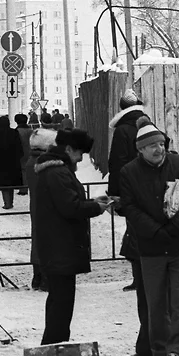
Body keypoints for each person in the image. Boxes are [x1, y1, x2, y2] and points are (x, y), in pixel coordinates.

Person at [119, 116, 179, 356]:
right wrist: (155, 231)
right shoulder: (129, 172)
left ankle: (176, 351)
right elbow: (130, 207)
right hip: (152, 247)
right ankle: (159, 352)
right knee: (155, 303)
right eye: (152, 145)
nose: (159, 148)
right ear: (141, 150)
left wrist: (176, 227)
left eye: (161, 143)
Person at [34, 129, 109, 344]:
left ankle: (55, 346)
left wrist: (95, 202)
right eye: (80, 153)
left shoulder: (57, 170)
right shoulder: (58, 172)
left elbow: (68, 203)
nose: (81, 158)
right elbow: (70, 207)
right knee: (61, 303)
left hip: (58, 245)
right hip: (60, 246)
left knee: (60, 301)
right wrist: (96, 206)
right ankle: (54, 348)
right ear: (68, 149)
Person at [108, 89, 148, 294]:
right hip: (150, 188)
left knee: (134, 232)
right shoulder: (148, 124)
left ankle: (139, 278)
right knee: (143, 231)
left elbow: (117, 162)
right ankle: (145, 277)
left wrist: (114, 192)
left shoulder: (122, 130)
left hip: (130, 188)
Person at [25, 128, 58, 291]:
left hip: (38, 206)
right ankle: (45, 277)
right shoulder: (44, 164)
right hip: (48, 207)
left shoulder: (33, 161)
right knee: (48, 241)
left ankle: (38, 276)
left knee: (39, 239)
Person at [0, 115, 24, 210]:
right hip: (13, 162)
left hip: (0, 163)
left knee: (3, 185)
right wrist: (17, 157)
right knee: (11, 183)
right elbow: (20, 148)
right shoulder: (14, 133)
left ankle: (7, 203)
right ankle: (10, 202)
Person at [14, 113, 33, 196]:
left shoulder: (16, 131)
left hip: (20, 154)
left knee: (22, 171)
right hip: (31, 153)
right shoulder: (31, 131)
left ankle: (23, 188)